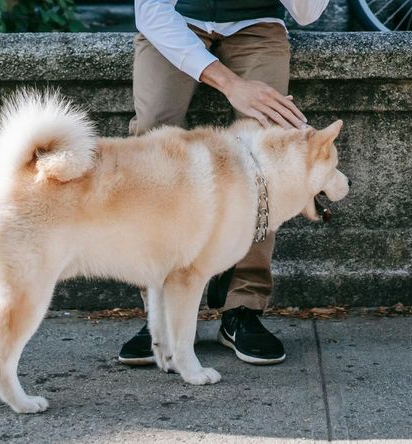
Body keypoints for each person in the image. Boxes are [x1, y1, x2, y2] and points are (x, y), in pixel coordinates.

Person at [118, 0, 330, 366]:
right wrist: (231, 84)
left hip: (256, 23)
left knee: (269, 142)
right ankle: (161, 310)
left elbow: (306, 14)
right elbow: (151, 11)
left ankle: (242, 307)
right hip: (176, 18)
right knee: (152, 135)